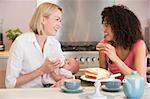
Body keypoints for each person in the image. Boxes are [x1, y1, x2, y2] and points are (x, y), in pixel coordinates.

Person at [5, 2, 78, 88]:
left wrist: (62, 81)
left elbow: (62, 72)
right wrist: (41, 70)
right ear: (43, 20)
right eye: (57, 19)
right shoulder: (21, 43)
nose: (59, 25)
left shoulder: (55, 44)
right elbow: (10, 84)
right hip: (25, 95)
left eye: (60, 21)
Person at [96, 5, 148, 82]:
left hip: (136, 91)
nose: (103, 30)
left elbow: (140, 80)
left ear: (119, 26)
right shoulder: (104, 44)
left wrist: (116, 59)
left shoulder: (139, 45)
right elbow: (102, 77)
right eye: (104, 25)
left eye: (107, 25)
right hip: (114, 90)